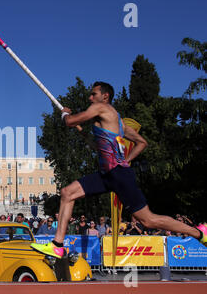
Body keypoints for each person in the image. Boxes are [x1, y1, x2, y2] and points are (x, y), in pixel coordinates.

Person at [31, 81, 207, 258]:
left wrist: (65, 114)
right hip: (107, 175)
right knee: (67, 193)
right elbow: (141, 143)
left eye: (94, 94)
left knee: (149, 220)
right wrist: (114, 153)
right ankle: (57, 245)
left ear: (105, 96)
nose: (90, 97)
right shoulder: (119, 122)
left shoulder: (101, 107)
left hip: (119, 175)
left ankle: (199, 233)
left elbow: (70, 121)